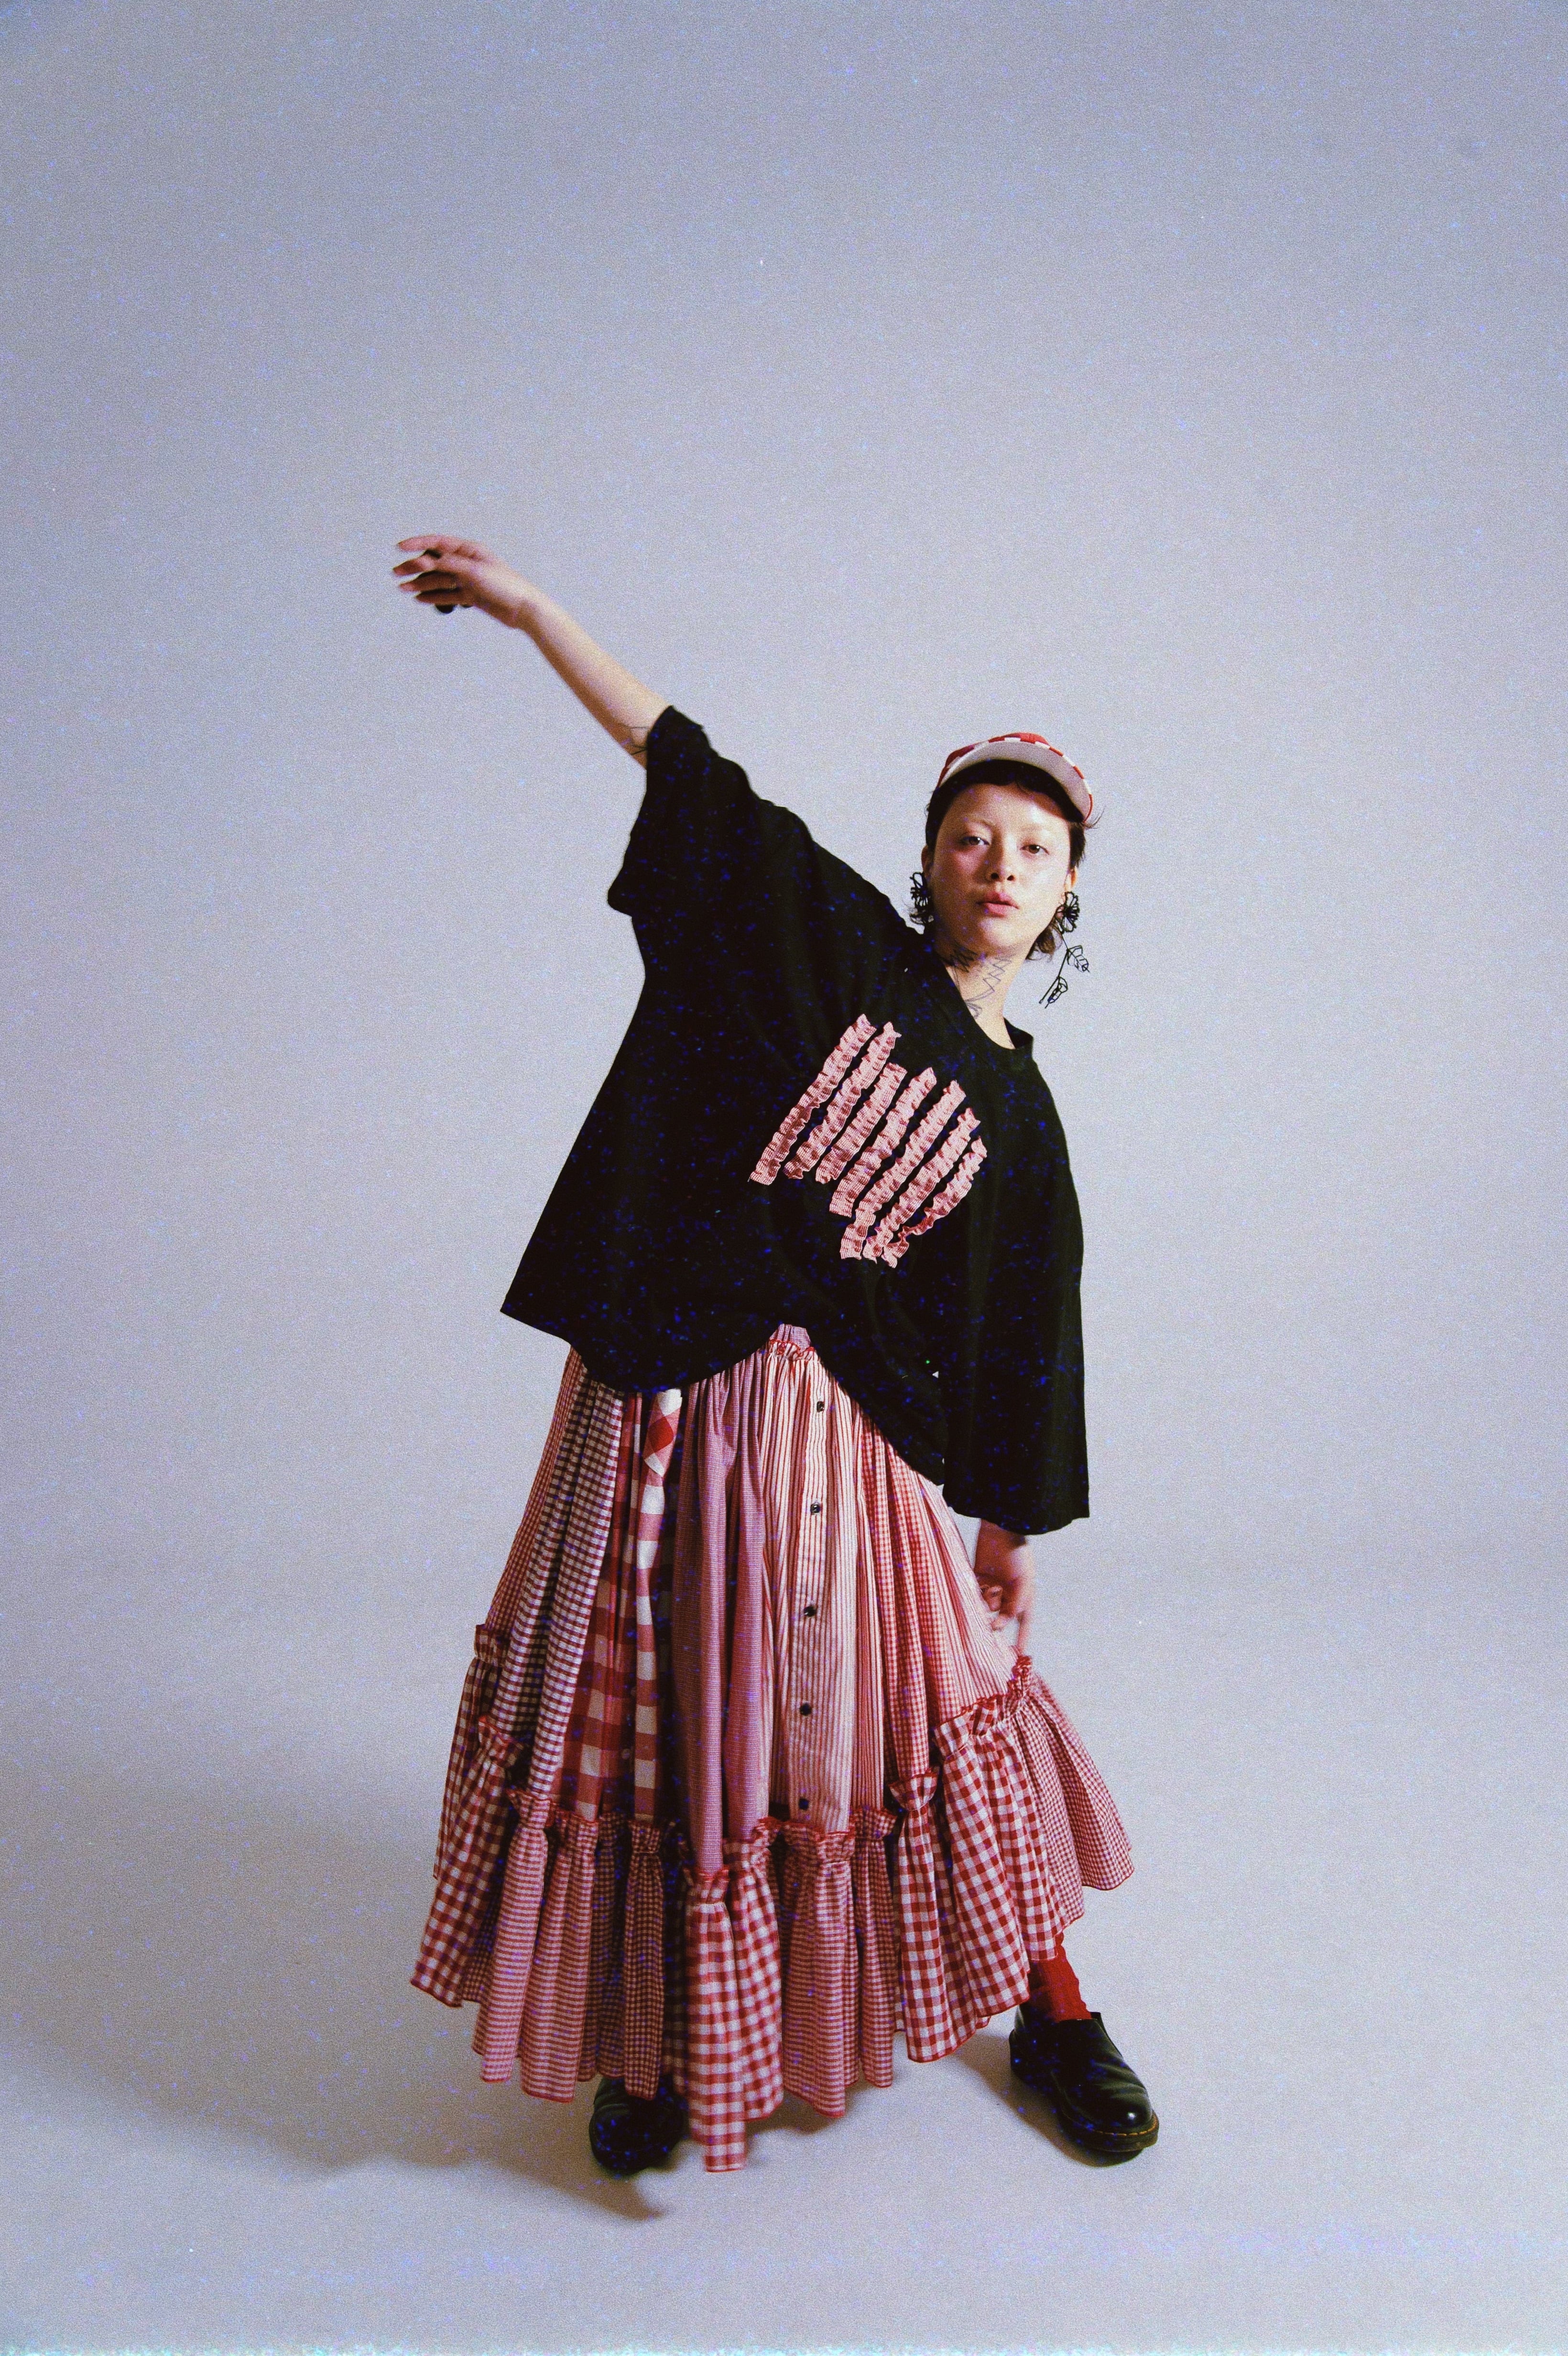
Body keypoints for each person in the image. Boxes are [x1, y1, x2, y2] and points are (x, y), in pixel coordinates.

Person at [392, 534, 1159, 2174]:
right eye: (972, 836)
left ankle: (1055, 2008)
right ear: (929, 861)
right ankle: (660, 2035)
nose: (1000, 863)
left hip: (842, 1444)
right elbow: (687, 766)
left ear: (1069, 889)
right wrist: (533, 613)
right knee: (664, 1721)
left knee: (933, 1715)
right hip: (666, 1394)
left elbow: (1027, 1335)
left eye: (1034, 847)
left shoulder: (1023, 1125)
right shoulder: (834, 946)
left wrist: (1005, 1527)